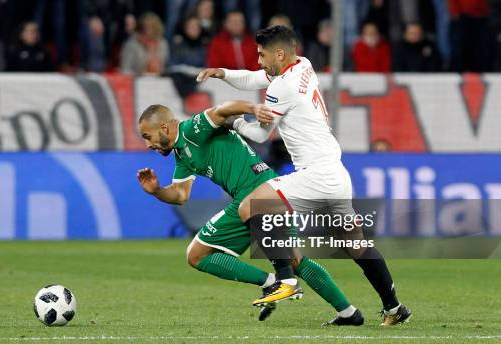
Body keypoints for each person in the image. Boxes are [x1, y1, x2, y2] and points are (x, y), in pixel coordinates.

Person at [196, 25, 411, 326]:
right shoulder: (304, 64)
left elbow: (259, 133)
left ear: (279, 53)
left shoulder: (281, 88)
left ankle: (285, 280)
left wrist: (232, 123)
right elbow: (255, 77)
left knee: (251, 205)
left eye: (261, 54)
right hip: (336, 172)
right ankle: (393, 308)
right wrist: (223, 72)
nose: (258, 60)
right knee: (355, 244)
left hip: (316, 175)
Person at [137, 102, 362, 324]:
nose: (148, 144)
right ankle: (348, 313)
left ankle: (273, 282)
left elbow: (223, 109)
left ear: (165, 128)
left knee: (197, 254)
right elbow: (180, 195)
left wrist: (254, 109)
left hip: (256, 194)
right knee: (294, 260)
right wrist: (156, 190)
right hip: (268, 190)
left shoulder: (193, 129)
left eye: (148, 136)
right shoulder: (182, 154)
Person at [120, 12, 169, 76]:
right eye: (144, 27)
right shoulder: (132, 44)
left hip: (158, 80)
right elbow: (125, 68)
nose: (147, 30)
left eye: (151, 27)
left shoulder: (163, 43)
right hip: (137, 79)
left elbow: (165, 66)